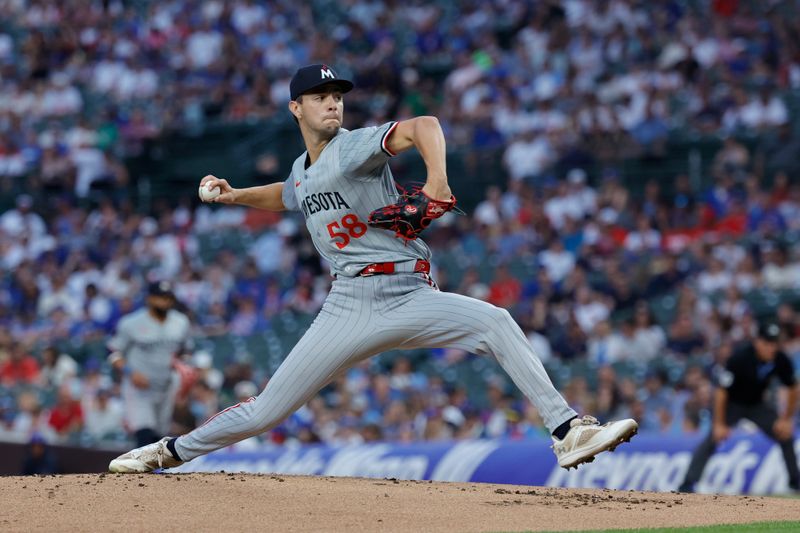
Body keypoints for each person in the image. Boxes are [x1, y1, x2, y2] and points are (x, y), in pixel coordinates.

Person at [109, 64, 637, 473]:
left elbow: (425, 125)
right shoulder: (304, 169)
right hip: (348, 303)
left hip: (408, 293)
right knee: (268, 409)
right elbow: (289, 194)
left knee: (495, 321)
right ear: (297, 108)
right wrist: (235, 196)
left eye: (337, 96)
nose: (333, 104)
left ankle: (567, 430)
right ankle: (168, 451)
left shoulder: (352, 146)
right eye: (320, 97)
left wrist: (436, 182)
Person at [678, 322, 799, 493]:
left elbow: (793, 387)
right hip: (732, 404)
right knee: (713, 437)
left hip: (757, 405)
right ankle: (688, 483)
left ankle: (795, 481)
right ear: (757, 342)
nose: (772, 348)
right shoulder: (740, 358)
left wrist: (786, 419)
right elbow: (721, 392)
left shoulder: (780, 359)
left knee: (785, 434)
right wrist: (719, 423)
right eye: (767, 343)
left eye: (774, 343)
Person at [108, 281, 192, 447]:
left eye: (168, 298)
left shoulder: (181, 322)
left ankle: (154, 472)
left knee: (160, 435)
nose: (164, 302)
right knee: (144, 430)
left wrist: (183, 368)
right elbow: (112, 352)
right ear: (149, 299)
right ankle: (143, 473)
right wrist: (129, 372)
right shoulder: (131, 323)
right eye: (160, 297)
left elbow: (185, 351)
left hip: (166, 385)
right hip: (139, 386)